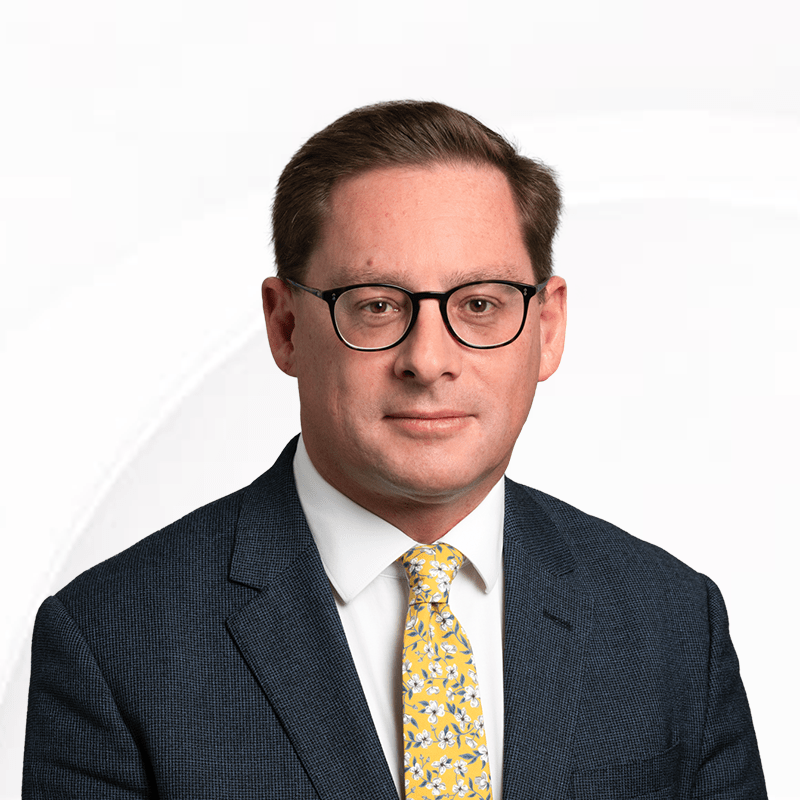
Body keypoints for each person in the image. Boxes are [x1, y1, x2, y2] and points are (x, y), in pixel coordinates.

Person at [22, 101, 766, 799]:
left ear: (547, 329)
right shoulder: (114, 641)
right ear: (285, 327)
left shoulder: (670, 621)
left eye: (480, 304)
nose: (429, 360)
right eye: (377, 306)